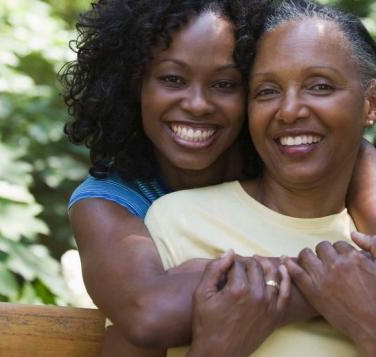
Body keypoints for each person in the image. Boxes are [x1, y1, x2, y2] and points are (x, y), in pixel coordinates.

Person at [61, 0, 376, 354]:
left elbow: (357, 156)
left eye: (225, 84)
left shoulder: (283, 157)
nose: (197, 104)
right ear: (134, 86)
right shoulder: (118, 203)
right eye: (172, 79)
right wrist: (332, 280)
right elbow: (148, 315)